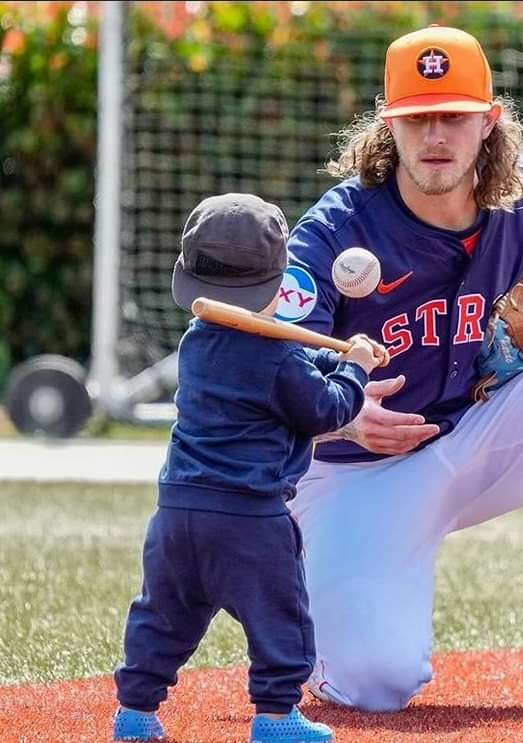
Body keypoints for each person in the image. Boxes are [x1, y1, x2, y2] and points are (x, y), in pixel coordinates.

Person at [284, 26, 523, 713]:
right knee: (376, 683)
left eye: (455, 116)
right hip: (353, 475)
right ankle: (320, 591)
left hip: (474, 441)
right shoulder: (334, 230)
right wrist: (342, 415)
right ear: (389, 124)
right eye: (418, 118)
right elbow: (277, 364)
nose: (437, 135)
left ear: (489, 122)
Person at [112, 193, 386, 742]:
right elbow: (326, 408)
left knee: (165, 616)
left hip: (177, 512)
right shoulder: (277, 357)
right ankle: (277, 718)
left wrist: (335, 360)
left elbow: (287, 368)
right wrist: (354, 369)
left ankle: (136, 712)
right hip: (249, 519)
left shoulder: (196, 343)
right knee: (281, 619)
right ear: (277, 280)